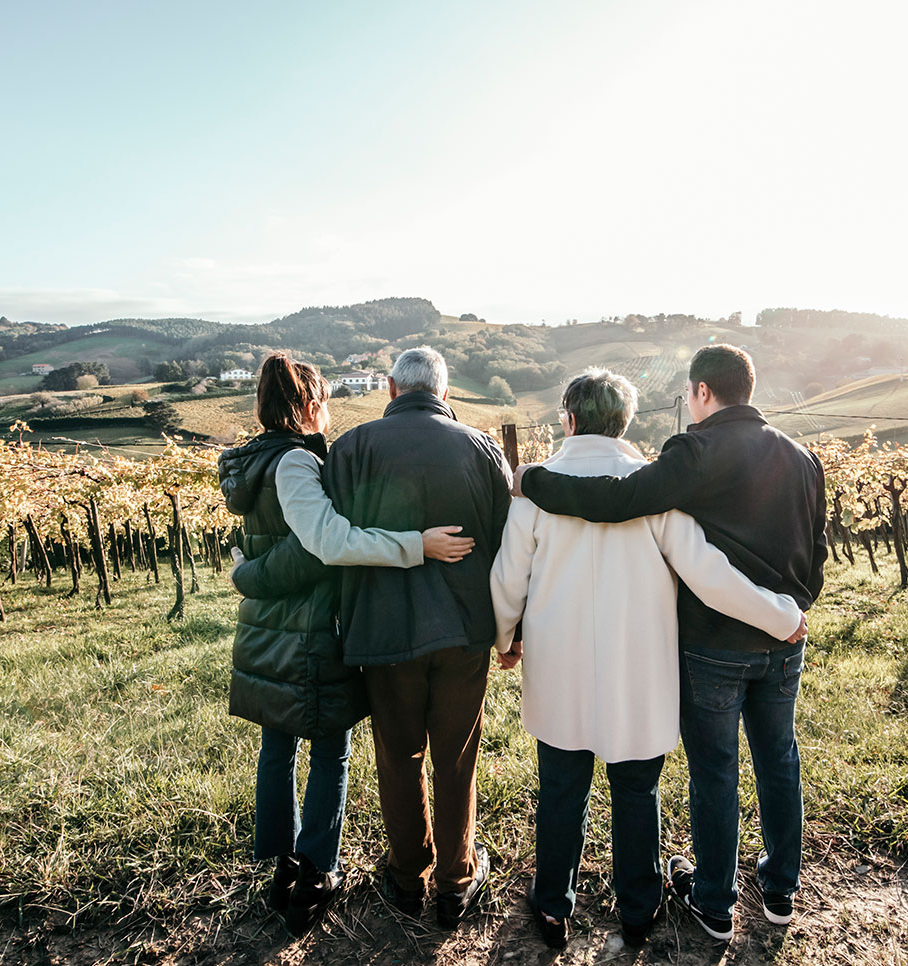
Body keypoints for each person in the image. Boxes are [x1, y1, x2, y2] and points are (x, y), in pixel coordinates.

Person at [516, 344, 826, 940]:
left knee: (714, 770)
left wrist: (533, 481)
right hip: (785, 636)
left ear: (703, 392)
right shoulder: (802, 456)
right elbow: (816, 551)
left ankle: (713, 903)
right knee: (779, 760)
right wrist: (791, 611)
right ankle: (778, 892)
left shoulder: (695, 451)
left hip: (715, 644)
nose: (688, 404)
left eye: (688, 394)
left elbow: (619, 500)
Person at [218, 353, 475, 936]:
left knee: (278, 745)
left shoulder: (252, 465)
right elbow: (325, 542)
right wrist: (416, 544)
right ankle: (315, 870)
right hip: (309, 631)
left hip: (269, 629)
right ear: (308, 405)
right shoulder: (295, 462)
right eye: (325, 401)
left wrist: (248, 574)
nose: (330, 412)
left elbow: (269, 548)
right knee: (328, 749)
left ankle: (282, 866)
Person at [310, 346, 511, 929]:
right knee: (457, 757)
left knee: (398, 756)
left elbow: (338, 539)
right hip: (465, 630)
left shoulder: (349, 449)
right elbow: (504, 545)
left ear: (392, 389)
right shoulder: (481, 449)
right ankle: (456, 880)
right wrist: (509, 630)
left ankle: (406, 879)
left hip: (382, 630)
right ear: (445, 394)